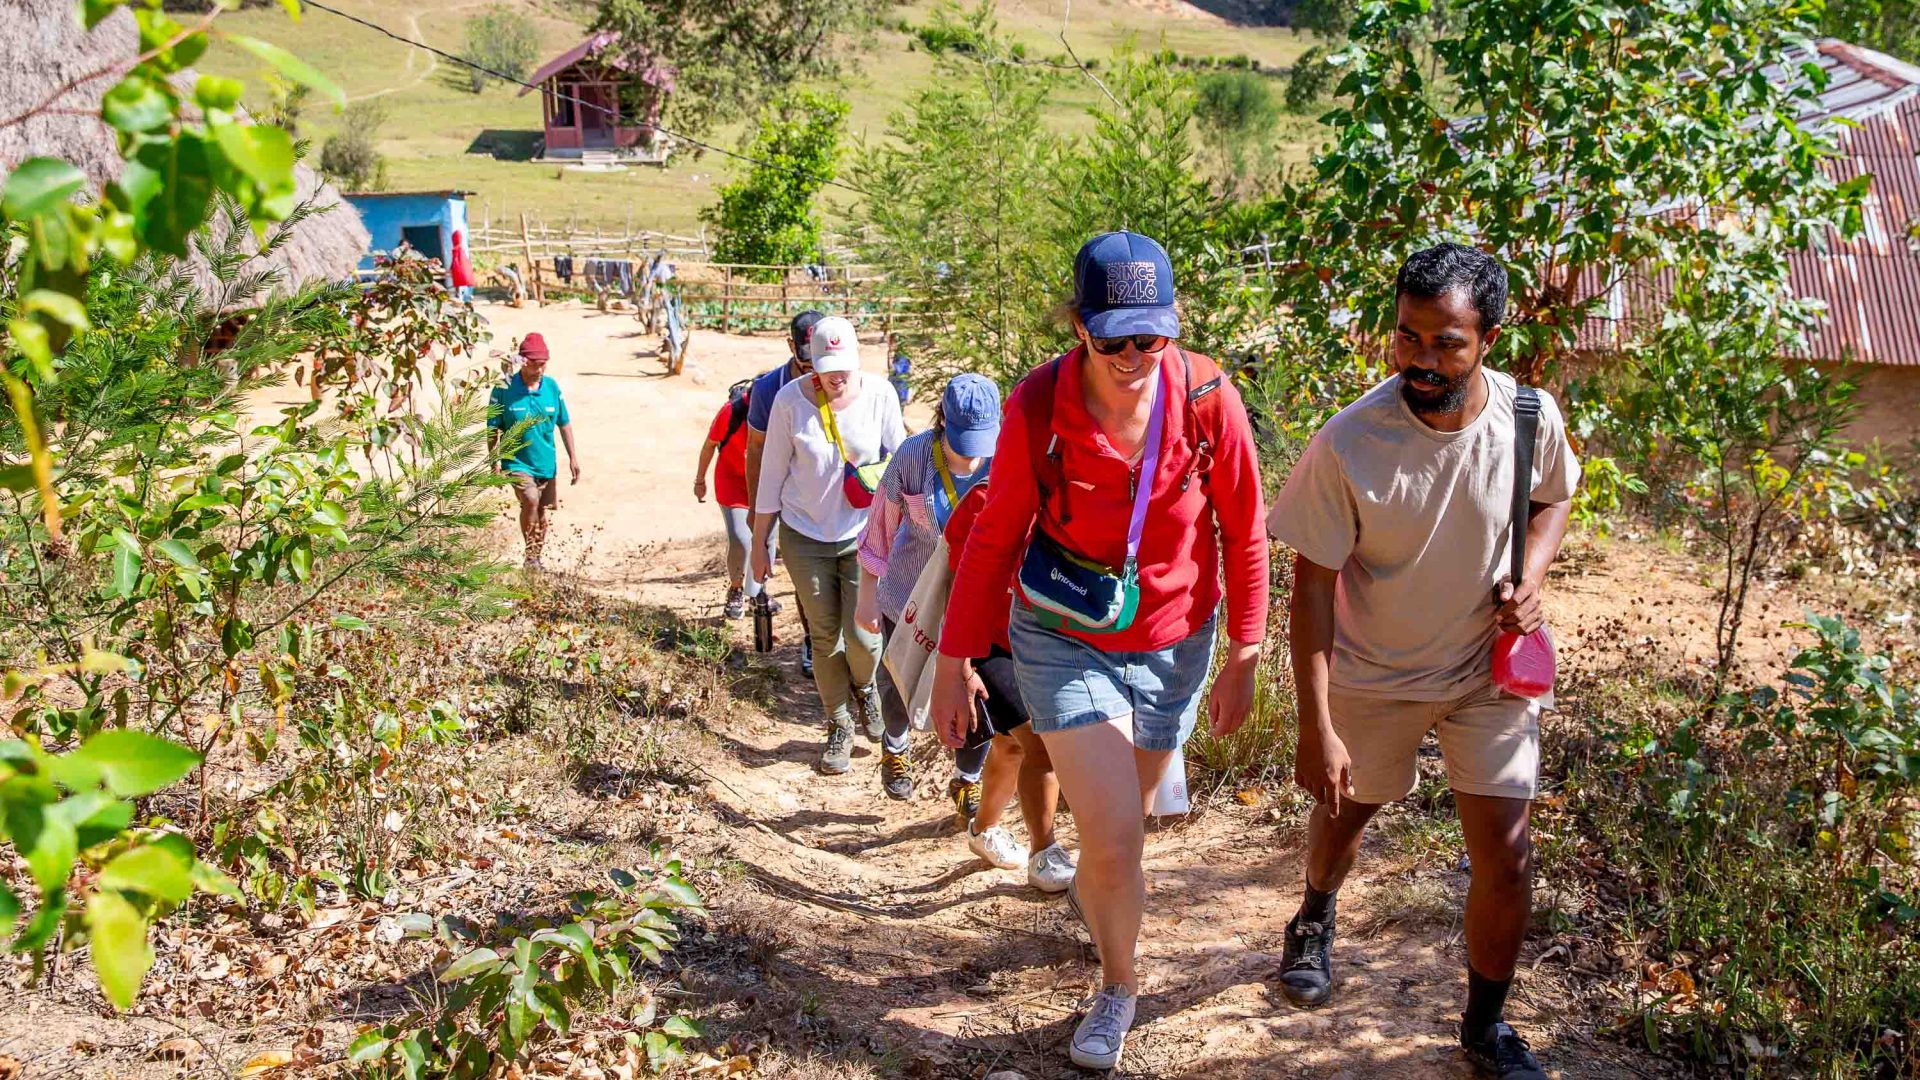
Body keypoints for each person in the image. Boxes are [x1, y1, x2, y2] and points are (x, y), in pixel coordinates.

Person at [929, 231, 1269, 1070]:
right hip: (1062, 634)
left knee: (1134, 825)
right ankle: (1119, 986)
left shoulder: (1207, 398)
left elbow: (1245, 529)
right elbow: (996, 532)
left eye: (1148, 336)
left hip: (1176, 638)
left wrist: (1245, 652)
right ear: (1078, 324)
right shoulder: (1038, 405)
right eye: (1110, 336)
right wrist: (952, 658)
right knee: (1113, 833)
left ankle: (1100, 897)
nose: (1130, 355)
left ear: (1174, 323)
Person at [1266, 243, 1580, 1080]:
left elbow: (1552, 499)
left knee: (1508, 856)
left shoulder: (1526, 418)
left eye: (1446, 343)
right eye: (1408, 337)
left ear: (1489, 337)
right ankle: (1315, 913)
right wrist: (1318, 724)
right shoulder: (1350, 443)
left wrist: (1534, 578)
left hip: (1488, 674)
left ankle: (1484, 1029)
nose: (1421, 359)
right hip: (1378, 671)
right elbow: (1313, 589)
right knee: (1347, 814)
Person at [854, 376, 1074, 890]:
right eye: (962, 441)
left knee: (992, 726)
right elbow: (880, 529)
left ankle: (972, 794)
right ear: (942, 424)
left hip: (995, 617)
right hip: (915, 602)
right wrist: (866, 596)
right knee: (903, 695)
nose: (974, 456)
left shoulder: (1014, 462)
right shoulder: (912, 458)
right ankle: (896, 744)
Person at [752, 316, 906, 775]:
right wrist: (761, 542)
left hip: (866, 534)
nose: (837, 377)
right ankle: (838, 723)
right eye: (826, 368)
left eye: (844, 367)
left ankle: (867, 690)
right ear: (809, 364)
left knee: (863, 636)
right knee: (824, 637)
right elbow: (771, 476)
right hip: (805, 535)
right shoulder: (787, 402)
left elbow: (902, 460)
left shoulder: (880, 394)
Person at [930, 480, 1078, 892]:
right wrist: (962, 665)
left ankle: (983, 828)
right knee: (1040, 743)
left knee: (1009, 746)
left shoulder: (1081, 495)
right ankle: (1044, 852)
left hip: (1049, 643)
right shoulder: (985, 499)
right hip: (992, 645)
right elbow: (960, 586)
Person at [746, 311, 826, 677]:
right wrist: (757, 508)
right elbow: (757, 451)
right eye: (805, 358)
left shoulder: (843, 378)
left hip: (837, 498)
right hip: (792, 502)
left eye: (819, 358)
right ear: (790, 346)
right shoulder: (768, 390)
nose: (813, 367)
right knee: (805, 581)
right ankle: (812, 639)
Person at [488, 333, 580, 570]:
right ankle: (530, 557)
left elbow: (564, 422)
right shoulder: (504, 389)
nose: (541, 369)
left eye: (544, 365)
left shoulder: (551, 387)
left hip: (545, 463)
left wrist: (573, 457)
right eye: (536, 364)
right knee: (529, 500)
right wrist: (493, 460)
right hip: (516, 462)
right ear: (524, 362)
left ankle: (535, 558)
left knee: (541, 511)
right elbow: (493, 427)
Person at [695, 381, 777, 620]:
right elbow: (709, 445)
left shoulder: (782, 410)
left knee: (768, 540)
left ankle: (757, 593)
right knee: (741, 538)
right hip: (732, 483)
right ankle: (736, 588)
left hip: (765, 486)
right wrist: (699, 480)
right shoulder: (732, 411)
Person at [450, 230, 475, 304]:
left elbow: (454, 260)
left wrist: (451, 267)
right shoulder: (462, 248)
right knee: (466, 283)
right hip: (466, 269)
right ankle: (468, 298)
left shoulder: (455, 249)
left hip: (458, 269)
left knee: (458, 285)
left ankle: (459, 299)